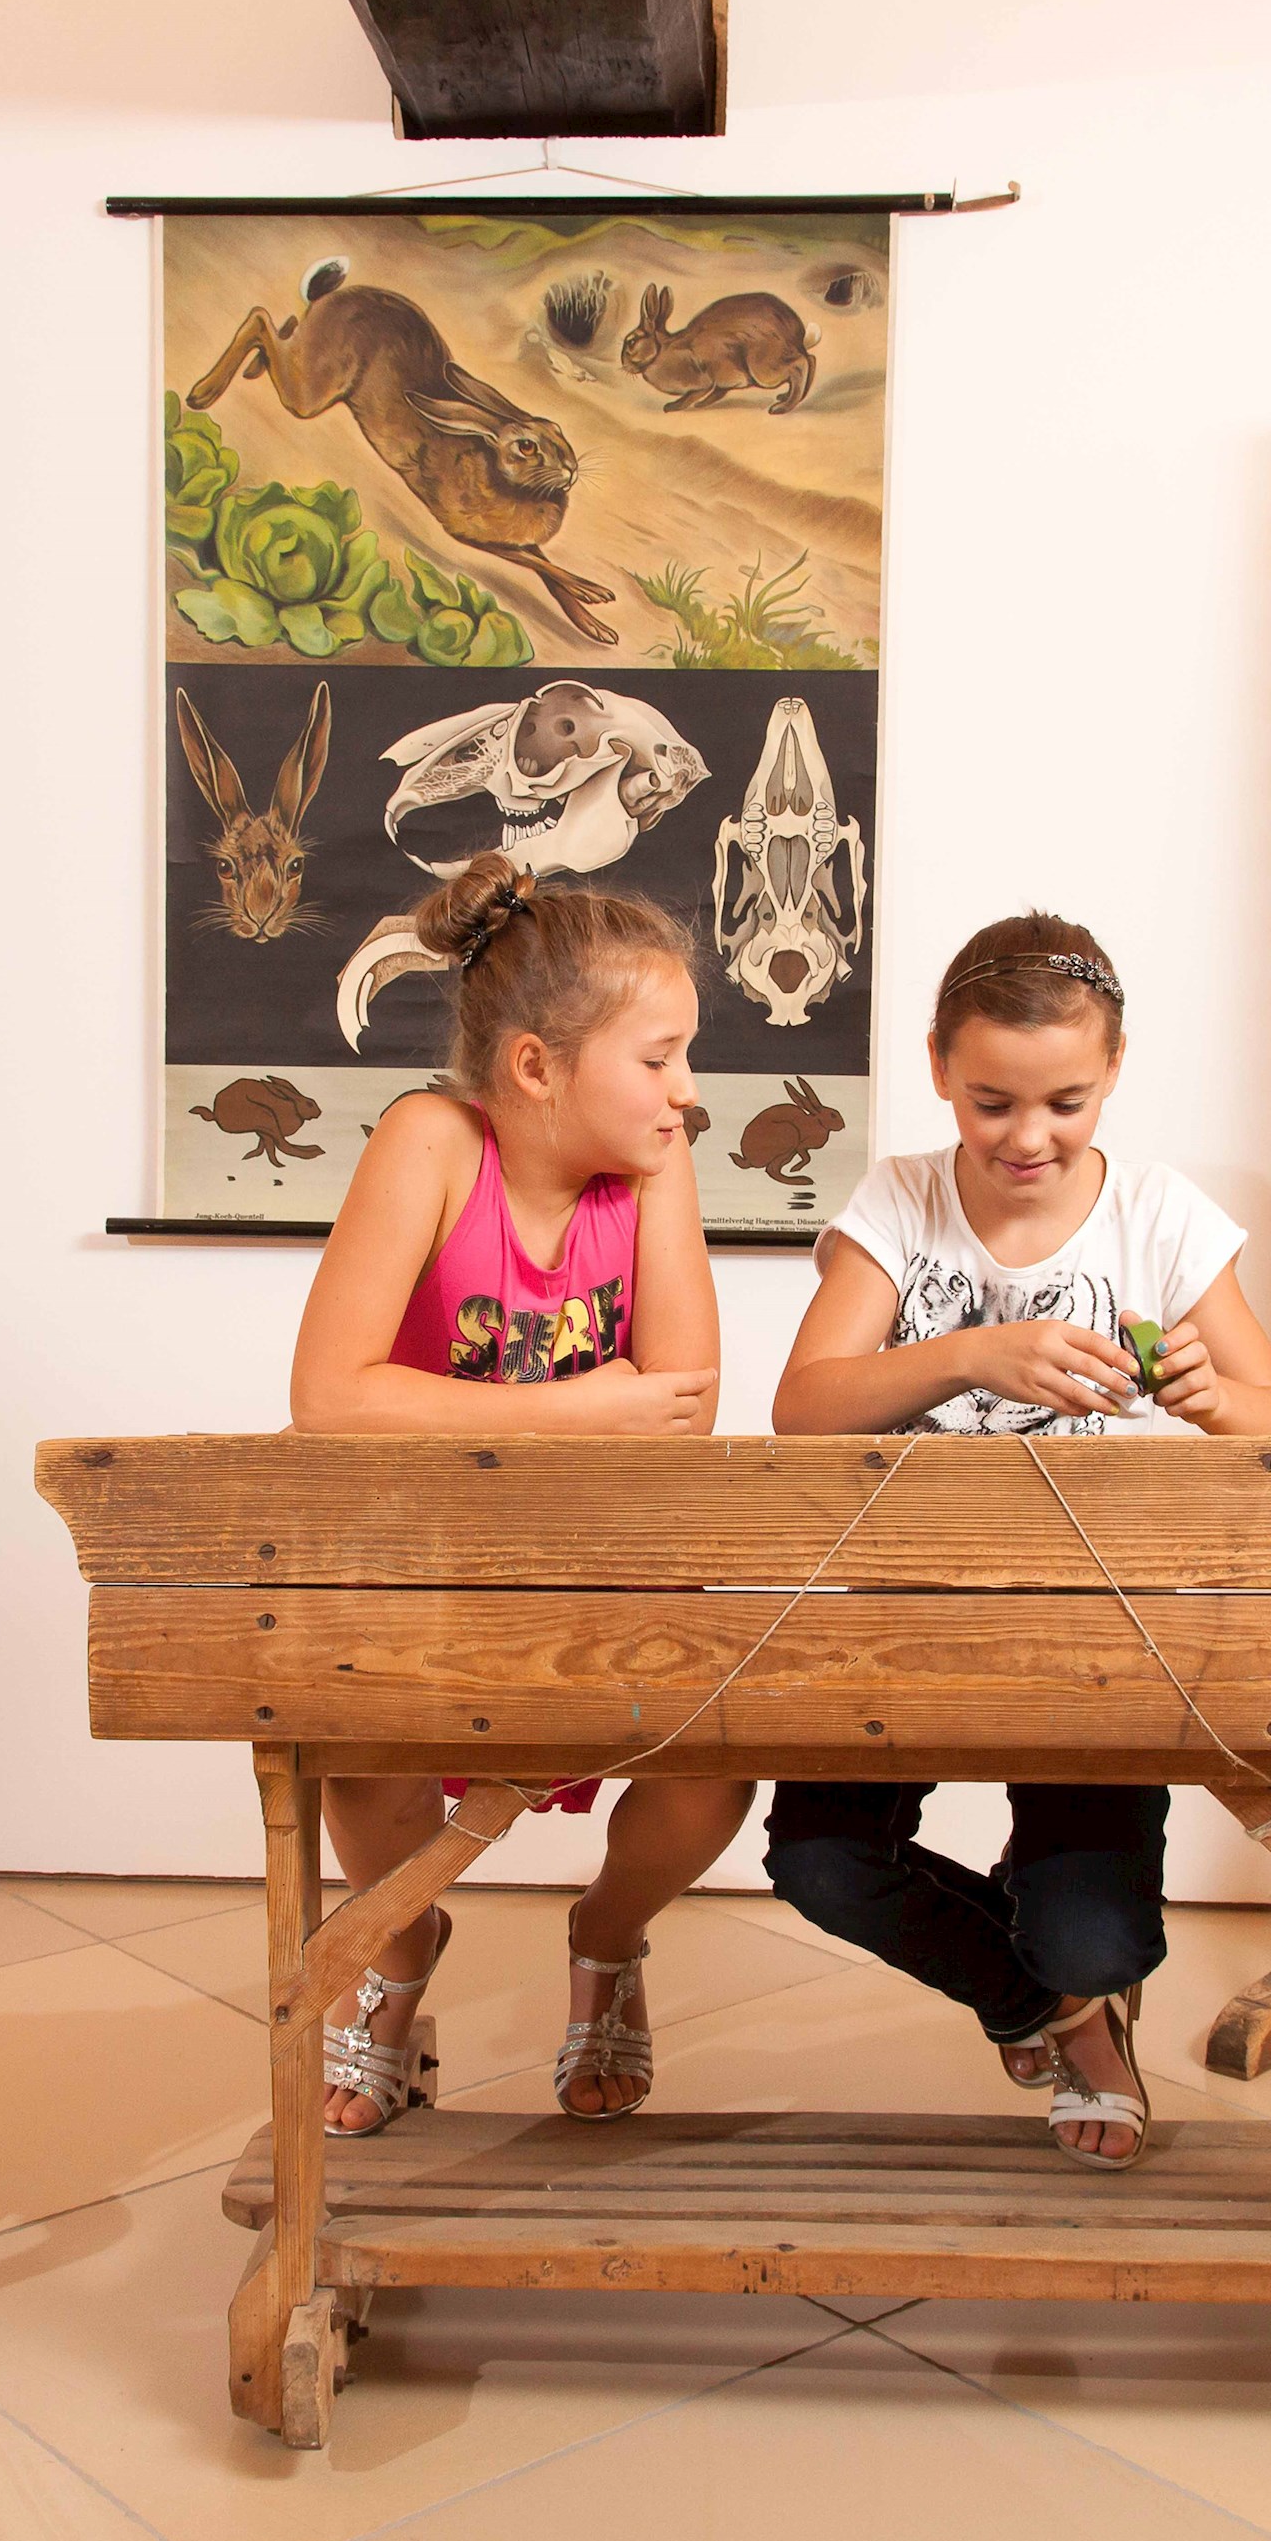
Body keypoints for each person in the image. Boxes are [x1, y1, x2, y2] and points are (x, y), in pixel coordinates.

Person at [764, 912, 1271, 2167]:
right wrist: (972, 1352)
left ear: (1113, 1068)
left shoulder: (1163, 1219)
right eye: (989, 1100)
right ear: (938, 1067)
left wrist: (1215, 1400)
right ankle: (1051, 2010)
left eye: (1064, 1100)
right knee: (822, 1860)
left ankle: (1077, 1977)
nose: (1027, 1137)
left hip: (1099, 1634)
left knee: (1102, 1935)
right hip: (904, 1616)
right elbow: (802, 1406)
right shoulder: (898, 1201)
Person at [287, 853, 730, 2134]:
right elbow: (331, 1393)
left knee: (713, 1768)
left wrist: (600, 1422)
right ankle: (398, 1947)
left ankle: (606, 1939)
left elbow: (685, 1411)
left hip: (601, 1568)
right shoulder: (428, 1141)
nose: (684, 1092)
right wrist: (579, 1408)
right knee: (360, 1758)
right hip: (428, 1569)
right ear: (536, 1067)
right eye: (658, 1059)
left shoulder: (656, 1168)